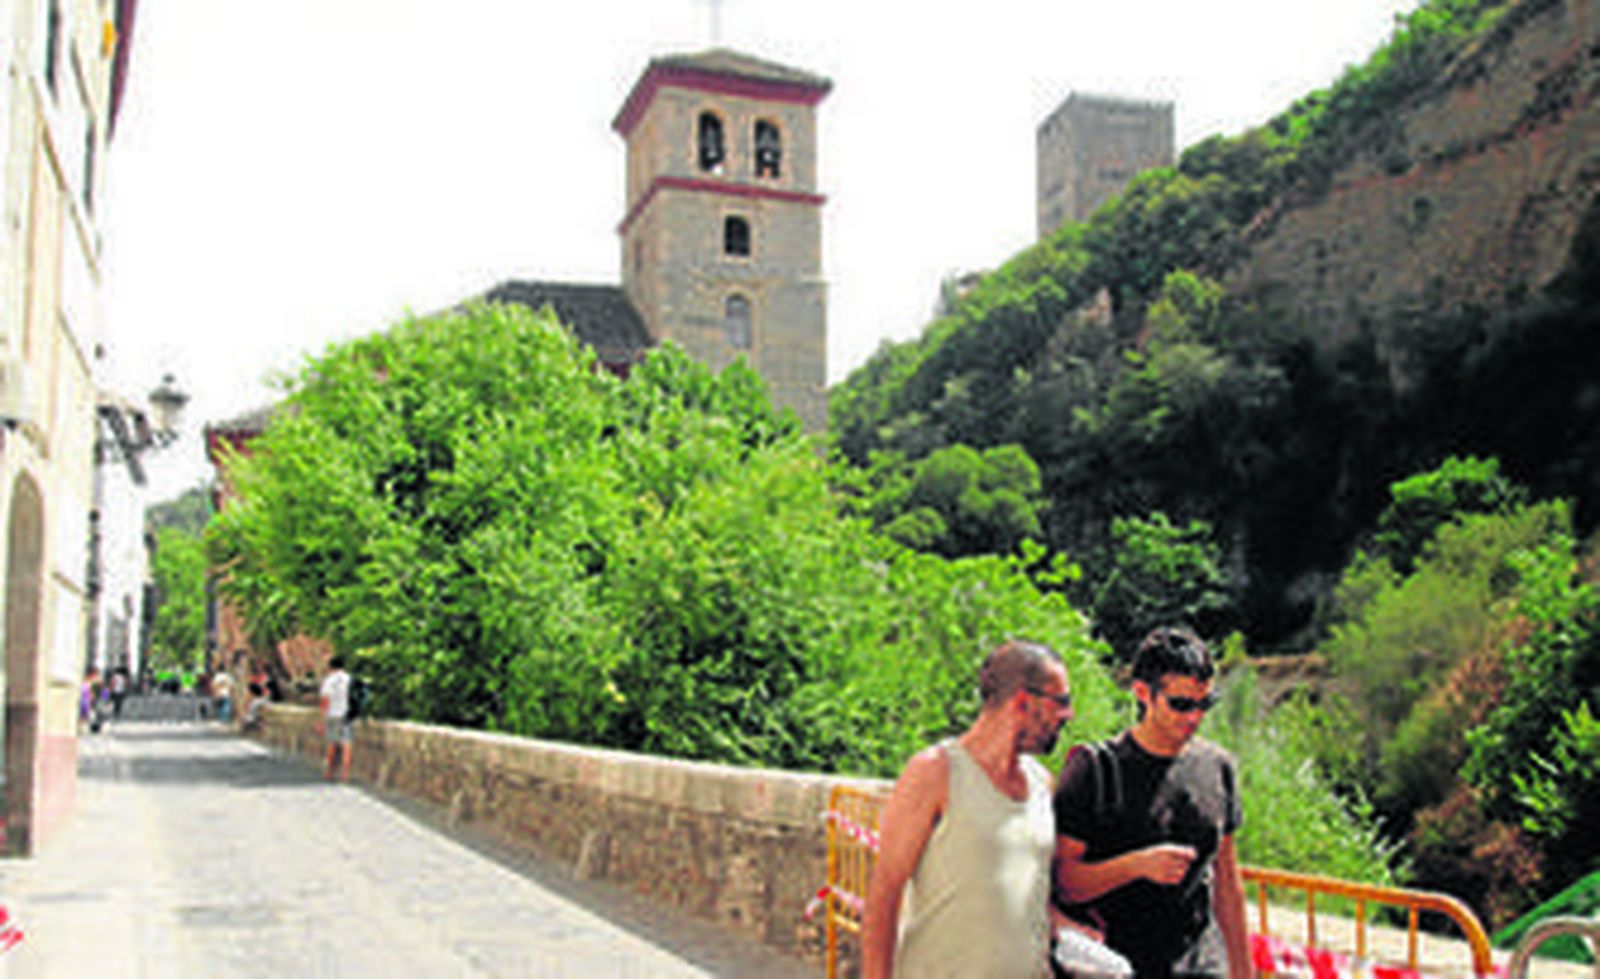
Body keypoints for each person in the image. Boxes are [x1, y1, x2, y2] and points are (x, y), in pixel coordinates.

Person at [862, 639, 1076, 979]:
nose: (1069, 715)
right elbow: (884, 894)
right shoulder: (934, 772)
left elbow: (1027, 896)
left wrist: (1075, 936)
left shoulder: (1042, 786)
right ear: (1023, 701)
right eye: (1061, 702)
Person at [1053, 626, 1252, 979]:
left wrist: (1244, 972)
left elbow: (1227, 884)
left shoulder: (1217, 767)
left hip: (1202, 966)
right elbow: (1064, 883)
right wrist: (1135, 866)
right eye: (1181, 705)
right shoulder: (1094, 770)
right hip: (1114, 966)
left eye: (1204, 703)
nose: (1195, 717)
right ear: (1143, 693)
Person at [318, 656, 354, 782]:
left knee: (332, 742)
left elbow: (325, 701)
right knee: (347, 743)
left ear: (330, 667)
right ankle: (346, 773)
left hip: (333, 714)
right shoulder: (350, 679)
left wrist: (321, 720)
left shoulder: (329, 681)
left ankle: (330, 771)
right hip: (347, 714)